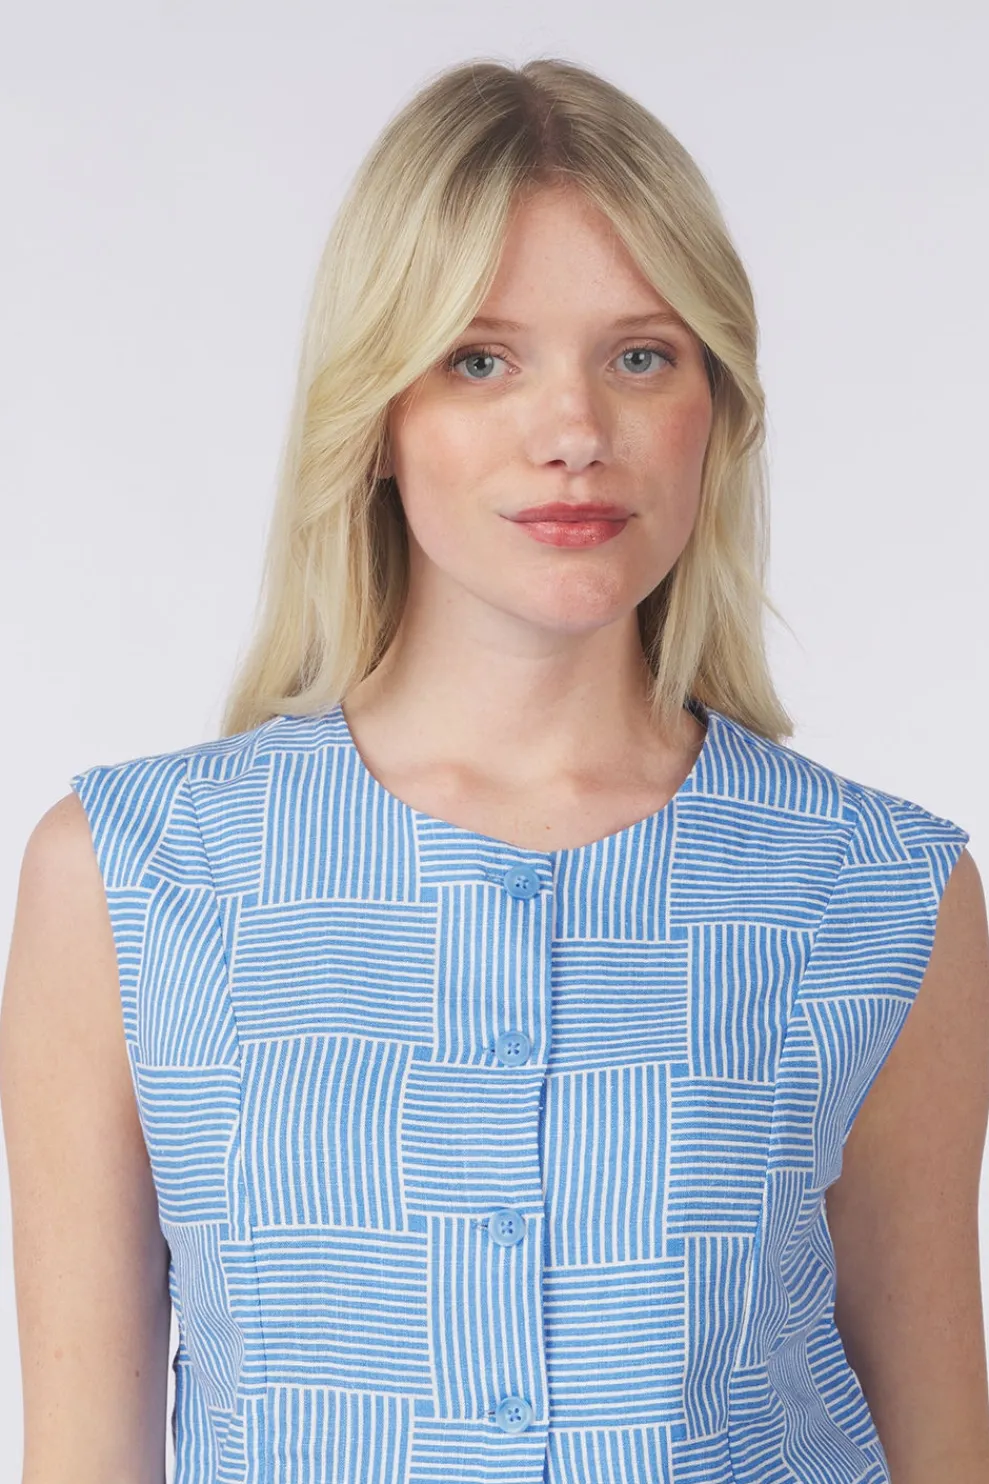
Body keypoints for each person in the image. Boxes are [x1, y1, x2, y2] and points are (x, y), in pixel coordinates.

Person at [2, 53, 988, 1484]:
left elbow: (942, 1444)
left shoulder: (882, 895)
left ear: (715, 411)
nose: (574, 433)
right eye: (481, 358)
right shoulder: (135, 883)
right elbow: (84, 1458)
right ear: (377, 420)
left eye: (640, 356)